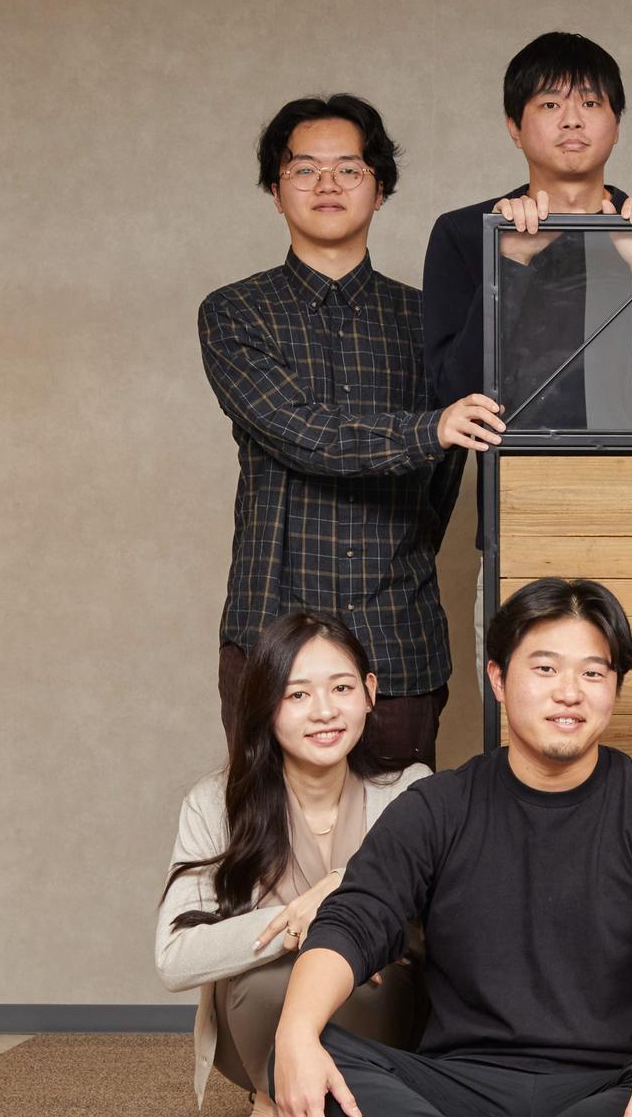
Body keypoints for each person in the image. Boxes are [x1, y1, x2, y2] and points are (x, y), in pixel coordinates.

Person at [269, 578, 632, 1117]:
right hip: (459, 1085)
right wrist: (295, 1032)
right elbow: (355, 919)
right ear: (498, 678)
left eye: (593, 673)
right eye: (545, 669)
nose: (570, 692)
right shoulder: (438, 806)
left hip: (612, 1084)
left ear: (615, 687)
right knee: (300, 1049)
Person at [200, 94, 500, 766]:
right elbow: (301, 433)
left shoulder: (427, 320)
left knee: (403, 829)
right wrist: (430, 429)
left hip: (400, 639)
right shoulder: (234, 313)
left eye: (349, 168)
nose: (327, 184)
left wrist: (435, 441)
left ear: (380, 188)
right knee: (271, 830)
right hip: (270, 633)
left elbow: (447, 473)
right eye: (304, 169)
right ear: (276, 191)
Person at [420, 30, 632, 703]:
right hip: (519, 518)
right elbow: (452, 397)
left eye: (591, 103)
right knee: (524, 716)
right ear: (514, 126)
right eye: (549, 104)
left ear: (616, 123)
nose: (573, 120)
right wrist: (509, 264)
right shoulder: (466, 232)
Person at [156, 610, 429, 1114]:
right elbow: (174, 959)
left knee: (363, 984)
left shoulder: (409, 789)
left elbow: (439, 919)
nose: (324, 711)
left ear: (370, 692)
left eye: (341, 688)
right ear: (265, 706)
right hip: (255, 1016)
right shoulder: (215, 802)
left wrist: (338, 892)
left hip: (379, 1009)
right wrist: (294, 926)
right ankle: (278, 1096)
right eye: (297, 694)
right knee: (271, 981)